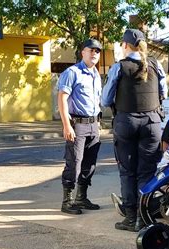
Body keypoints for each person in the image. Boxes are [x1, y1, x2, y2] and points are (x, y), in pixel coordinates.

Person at [102, 28, 168, 232]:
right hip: (152, 123)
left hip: (126, 123)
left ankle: (131, 218)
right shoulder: (156, 65)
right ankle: (144, 217)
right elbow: (163, 93)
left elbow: (105, 100)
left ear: (124, 45)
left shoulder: (119, 67)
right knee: (146, 173)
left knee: (128, 172)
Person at [58, 38, 103, 215]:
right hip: (77, 124)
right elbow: (62, 98)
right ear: (82, 52)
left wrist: (98, 124)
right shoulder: (72, 72)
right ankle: (67, 201)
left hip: (93, 124)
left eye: (97, 51)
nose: (94, 53)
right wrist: (66, 125)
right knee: (74, 162)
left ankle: (81, 197)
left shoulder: (96, 74)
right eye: (90, 50)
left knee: (89, 164)